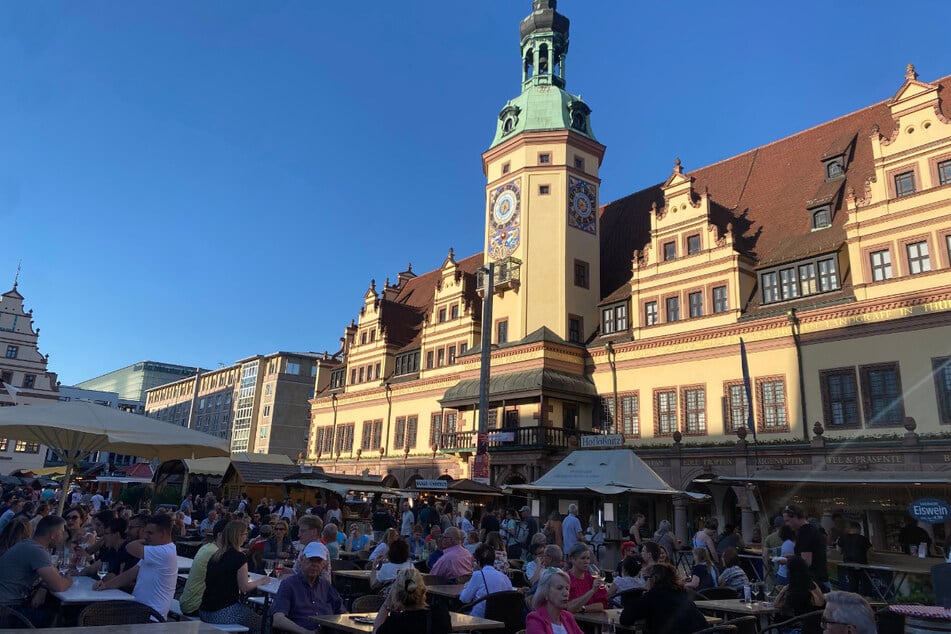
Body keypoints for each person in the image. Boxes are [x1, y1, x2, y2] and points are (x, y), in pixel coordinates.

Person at [94, 513, 179, 617]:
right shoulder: (155, 551)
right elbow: (129, 574)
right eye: (145, 532)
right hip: (139, 610)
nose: (146, 536)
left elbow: (130, 547)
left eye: (150, 533)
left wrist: (144, 540)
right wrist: (106, 585)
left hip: (151, 616)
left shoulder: (165, 552)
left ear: (163, 533)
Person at [0, 515, 73, 627]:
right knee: (62, 616)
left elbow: (53, 575)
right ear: (53, 535)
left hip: (10, 604)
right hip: (8, 610)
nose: (64, 536)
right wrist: (69, 579)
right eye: (62, 532)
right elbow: (59, 586)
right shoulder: (37, 551)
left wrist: (43, 588)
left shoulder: (29, 544)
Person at [199, 520, 271, 626]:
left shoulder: (216, 555)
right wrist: (261, 581)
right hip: (222, 612)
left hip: (204, 610)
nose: (246, 537)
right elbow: (244, 587)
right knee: (263, 623)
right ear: (238, 536)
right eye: (245, 534)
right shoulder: (239, 557)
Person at [270, 541, 346, 634]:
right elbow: (278, 620)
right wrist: (305, 632)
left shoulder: (326, 586)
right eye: (311, 560)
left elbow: (343, 612)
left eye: (318, 561)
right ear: (302, 560)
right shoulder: (289, 585)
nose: (315, 564)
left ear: (323, 564)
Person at [619, 562, 707, 634]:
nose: (645, 583)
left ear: (654, 578)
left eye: (646, 578)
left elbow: (624, 618)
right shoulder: (682, 594)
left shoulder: (654, 596)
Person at [373, 566, 451, 634]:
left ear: (397, 594)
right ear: (423, 590)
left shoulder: (395, 622)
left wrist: (386, 604)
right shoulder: (440, 614)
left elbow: (376, 631)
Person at [179, 519, 227, 617]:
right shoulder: (216, 553)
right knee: (251, 619)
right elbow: (237, 582)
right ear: (220, 535)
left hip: (188, 602)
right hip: (197, 606)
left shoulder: (207, 547)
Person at [459, 543, 514, 617]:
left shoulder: (478, 575)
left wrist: (466, 587)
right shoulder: (504, 577)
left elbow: (464, 599)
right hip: (499, 618)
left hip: (479, 617)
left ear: (477, 561)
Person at [783, 504, 829, 590]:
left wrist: (788, 560)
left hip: (814, 583)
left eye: (788, 520)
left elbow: (806, 562)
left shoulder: (805, 533)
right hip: (819, 580)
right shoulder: (811, 530)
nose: (786, 524)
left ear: (796, 517)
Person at [774, 556, 825, 634]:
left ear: (791, 572)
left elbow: (777, 604)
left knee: (778, 619)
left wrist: (783, 590)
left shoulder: (796, 591)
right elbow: (821, 601)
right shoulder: (814, 584)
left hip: (801, 629)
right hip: (819, 628)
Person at [527, 567, 585, 634]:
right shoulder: (535, 619)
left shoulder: (568, 617)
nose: (566, 593)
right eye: (559, 588)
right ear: (546, 593)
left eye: (567, 588)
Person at [565, 542, 607, 614]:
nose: (586, 561)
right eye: (583, 558)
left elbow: (601, 605)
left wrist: (583, 608)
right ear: (573, 559)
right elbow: (569, 607)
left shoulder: (593, 579)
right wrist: (592, 591)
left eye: (588, 558)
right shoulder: (565, 579)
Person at [837, 521, 872, 594]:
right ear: (858, 529)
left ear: (849, 529)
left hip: (848, 564)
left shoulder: (843, 538)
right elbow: (871, 551)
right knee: (865, 583)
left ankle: (853, 600)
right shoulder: (863, 538)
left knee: (852, 583)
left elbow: (839, 551)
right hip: (861, 564)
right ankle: (867, 600)